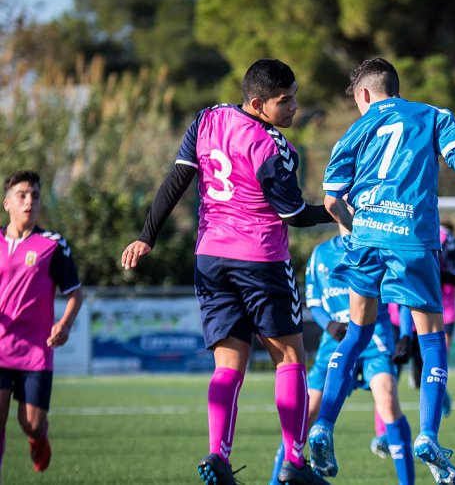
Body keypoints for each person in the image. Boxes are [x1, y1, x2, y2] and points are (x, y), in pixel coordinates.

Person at [120, 59, 338, 485]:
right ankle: (294, 462)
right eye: (284, 101)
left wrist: (148, 235)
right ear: (258, 103)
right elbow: (293, 214)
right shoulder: (271, 146)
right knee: (290, 357)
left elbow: (177, 180)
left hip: (210, 259)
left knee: (228, 363)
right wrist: (334, 211)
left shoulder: (207, 119)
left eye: (294, 97)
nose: (294, 107)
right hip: (259, 259)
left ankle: (218, 455)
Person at [310, 57, 455, 485]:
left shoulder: (356, 129)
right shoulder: (434, 116)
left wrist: (362, 232)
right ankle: (428, 435)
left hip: (366, 238)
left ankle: (322, 425)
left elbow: (332, 202)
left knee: (356, 332)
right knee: (432, 341)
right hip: (414, 240)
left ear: (365, 94)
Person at [269, 220, 414, 485]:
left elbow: (401, 298)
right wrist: (331, 325)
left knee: (388, 402)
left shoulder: (379, 248)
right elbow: (315, 303)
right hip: (334, 345)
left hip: (375, 342)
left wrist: (405, 335)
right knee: (305, 414)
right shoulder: (321, 255)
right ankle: (276, 480)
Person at [0, 170, 84, 478]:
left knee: (30, 422)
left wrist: (64, 324)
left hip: (36, 351)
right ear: (7, 202)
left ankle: (38, 437)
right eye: (22, 195)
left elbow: (75, 293)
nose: (29, 201)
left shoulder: (52, 244)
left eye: (35, 195)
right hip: (0, 348)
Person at [392, 222, 455, 416]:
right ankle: (386, 430)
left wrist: (448, 277)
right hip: (402, 313)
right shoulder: (400, 230)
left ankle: (439, 397)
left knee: (430, 368)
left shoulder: (446, 239)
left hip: (440, 311)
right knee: (390, 374)